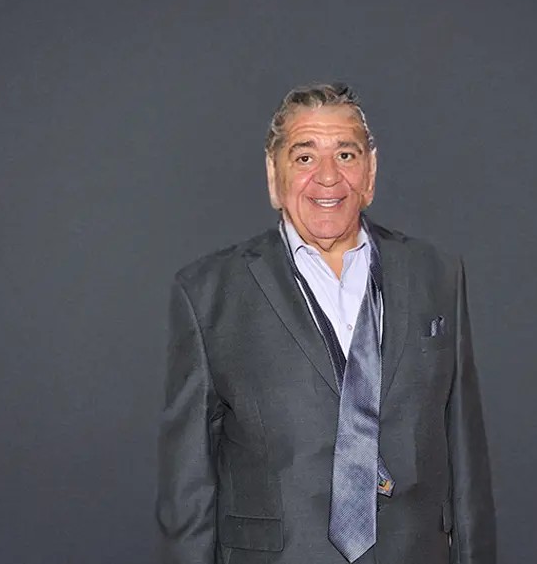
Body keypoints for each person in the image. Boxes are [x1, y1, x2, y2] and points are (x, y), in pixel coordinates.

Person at [157, 83, 497, 563]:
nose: (328, 177)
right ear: (273, 175)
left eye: (345, 154)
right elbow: (187, 489)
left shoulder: (436, 275)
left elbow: (466, 453)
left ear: (370, 172)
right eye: (304, 157)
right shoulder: (208, 294)